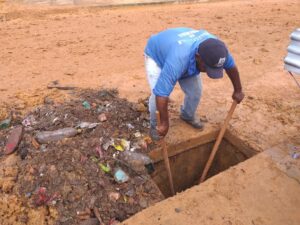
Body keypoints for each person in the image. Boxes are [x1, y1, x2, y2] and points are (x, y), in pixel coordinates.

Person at [144, 27, 244, 140]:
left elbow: (231, 67)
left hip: (182, 51)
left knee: (195, 92)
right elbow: (161, 94)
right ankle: (154, 126)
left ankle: (187, 115)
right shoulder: (178, 60)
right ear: (198, 57)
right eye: (207, 68)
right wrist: (164, 123)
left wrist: (238, 90)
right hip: (157, 56)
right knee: (155, 95)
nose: (207, 72)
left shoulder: (218, 51)